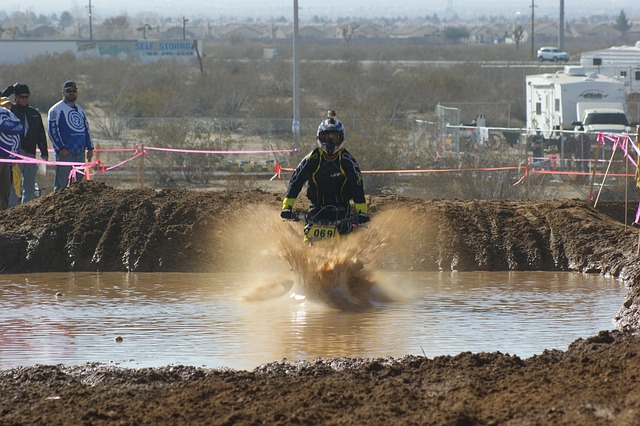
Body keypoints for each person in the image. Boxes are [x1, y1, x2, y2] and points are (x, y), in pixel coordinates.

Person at [280, 115, 369, 235]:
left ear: (341, 138)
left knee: (345, 241)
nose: (330, 142)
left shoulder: (348, 161)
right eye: (326, 137)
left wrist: (362, 212)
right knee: (307, 239)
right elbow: (296, 181)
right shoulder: (312, 158)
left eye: (334, 137)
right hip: (317, 210)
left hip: (342, 211)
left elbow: (357, 187)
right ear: (319, 138)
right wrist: (287, 207)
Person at [1, 83, 49, 203]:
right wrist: (10, 89)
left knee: (30, 186)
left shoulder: (34, 113)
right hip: (16, 154)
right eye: (22, 96)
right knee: (14, 185)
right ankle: (10, 212)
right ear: (16, 97)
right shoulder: (10, 110)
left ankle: (27, 211)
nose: (24, 99)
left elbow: (40, 133)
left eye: (26, 96)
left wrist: (44, 152)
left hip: (31, 153)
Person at [48, 81, 94, 191]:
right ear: (63, 93)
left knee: (78, 186)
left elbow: (86, 129)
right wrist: (60, 148)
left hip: (80, 153)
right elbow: (52, 131)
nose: (71, 93)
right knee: (62, 186)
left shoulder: (80, 109)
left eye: (74, 91)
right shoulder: (56, 109)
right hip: (65, 153)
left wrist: (90, 147)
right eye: (68, 91)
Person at [0, 97, 24, 210]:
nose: (7, 107)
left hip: (8, 158)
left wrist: (10, 128)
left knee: (5, 190)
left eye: (9, 105)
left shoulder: (12, 116)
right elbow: (4, 127)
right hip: (1, 156)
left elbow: (20, 127)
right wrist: (11, 128)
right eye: (4, 105)